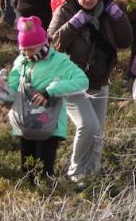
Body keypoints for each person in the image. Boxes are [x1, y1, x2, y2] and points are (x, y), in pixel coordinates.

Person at [48, 0, 131, 180]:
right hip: (70, 79)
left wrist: (119, 17)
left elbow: (125, 41)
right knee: (88, 125)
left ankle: (92, 175)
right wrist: (73, 25)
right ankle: (76, 174)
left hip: (99, 77)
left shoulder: (109, 12)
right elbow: (52, 45)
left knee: (97, 132)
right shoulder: (66, 10)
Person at [9, 16, 89, 179]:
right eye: (23, 49)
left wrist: (50, 91)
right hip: (25, 122)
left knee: (44, 171)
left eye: (31, 49)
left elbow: (82, 81)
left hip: (49, 125)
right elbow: (13, 81)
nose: (26, 53)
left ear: (43, 44)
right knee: (27, 170)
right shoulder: (22, 60)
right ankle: (30, 198)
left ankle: (47, 199)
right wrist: (8, 90)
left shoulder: (60, 61)